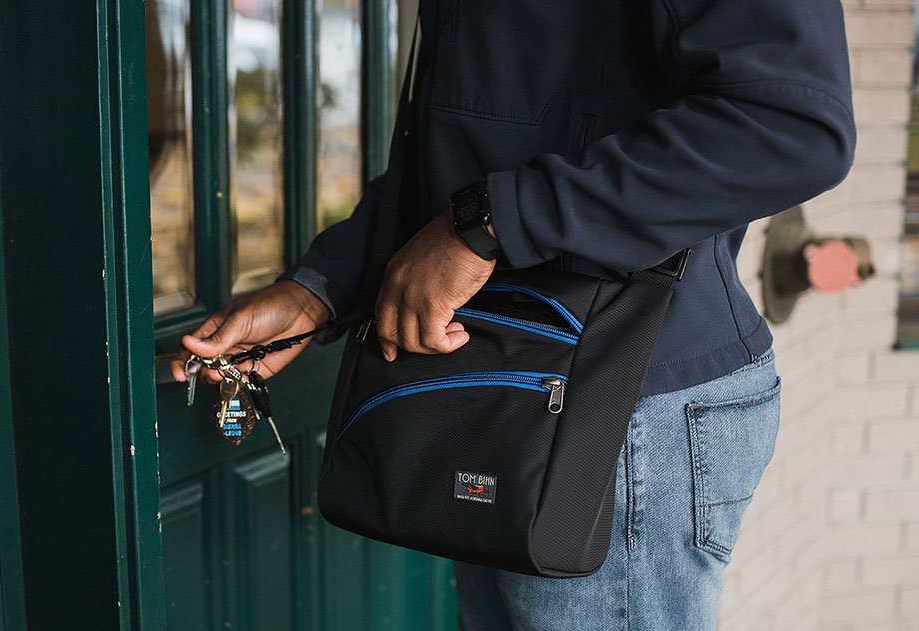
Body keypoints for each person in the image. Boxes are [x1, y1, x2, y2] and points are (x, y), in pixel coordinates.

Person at [173, 0, 855, 628]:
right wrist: (318, 288)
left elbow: (793, 123)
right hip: (508, 396)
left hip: (618, 412)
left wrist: (492, 223)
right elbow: (466, 154)